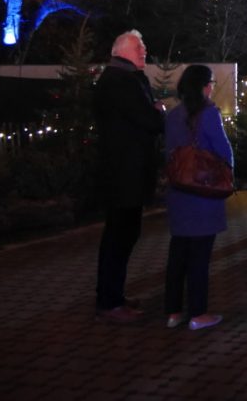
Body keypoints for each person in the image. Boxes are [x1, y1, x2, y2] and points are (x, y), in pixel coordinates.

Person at [92, 30, 166, 323]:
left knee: (122, 236)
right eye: (139, 46)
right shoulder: (120, 82)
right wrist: (157, 112)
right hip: (124, 174)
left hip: (126, 173)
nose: (144, 50)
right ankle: (109, 302)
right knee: (119, 238)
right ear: (121, 50)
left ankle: (113, 296)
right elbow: (147, 120)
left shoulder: (123, 79)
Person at [163, 65, 234, 331]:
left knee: (178, 254)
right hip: (203, 195)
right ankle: (198, 313)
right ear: (205, 86)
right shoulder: (208, 114)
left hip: (179, 193)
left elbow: (168, 154)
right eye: (212, 83)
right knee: (200, 257)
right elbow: (224, 151)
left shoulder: (173, 115)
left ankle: (173, 312)